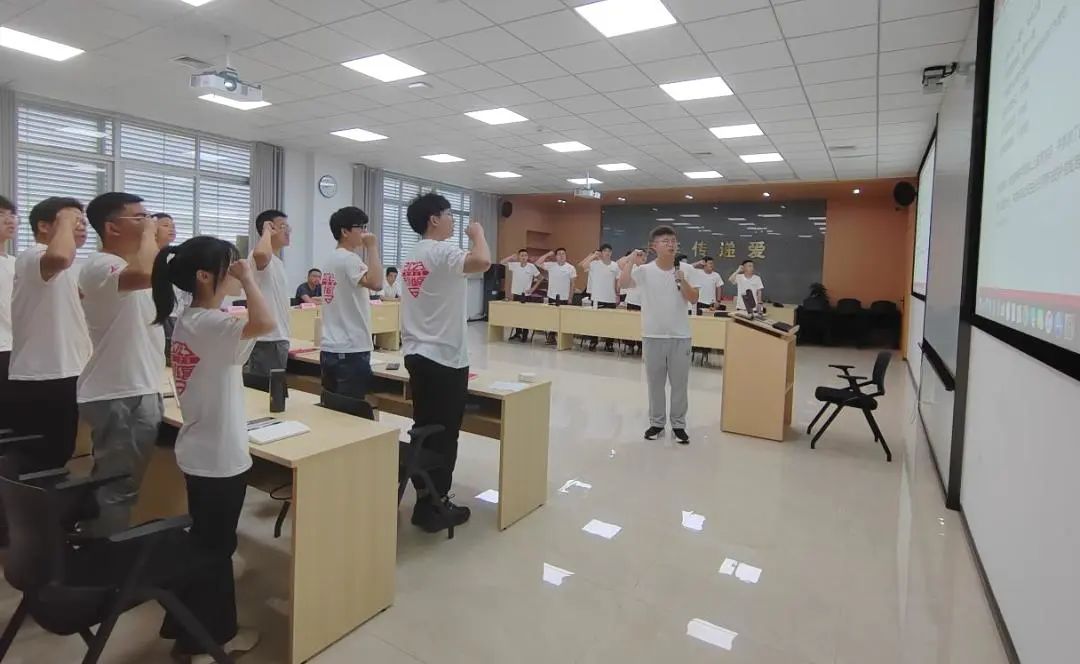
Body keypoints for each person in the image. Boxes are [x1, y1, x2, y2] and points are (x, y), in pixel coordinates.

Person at [151, 236, 272, 662]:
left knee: (204, 543)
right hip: (219, 457)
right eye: (230, 264)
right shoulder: (208, 324)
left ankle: (185, 627)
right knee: (216, 550)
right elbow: (265, 322)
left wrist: (244, 279)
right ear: (204, 276)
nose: (237, 268)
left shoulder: (194, 320)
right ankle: (214, 639)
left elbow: (248, 334)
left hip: (202, 448)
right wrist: (251, 279)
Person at [400, 192, 491, 533]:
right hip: (443, 359)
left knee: (424, 428)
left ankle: (426, 497)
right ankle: (434, 506)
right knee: (444, 435)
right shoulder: (440, 251)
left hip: (417, 354)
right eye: (450, 214)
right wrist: (478, 234)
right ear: (434, 219)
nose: (454, 220)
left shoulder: (412, 255)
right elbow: (482, 261)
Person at [77, 192, 164, 535]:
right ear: (112, 228)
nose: (150, 223)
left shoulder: (130, 270)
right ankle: (103, 558)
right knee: (118, 489)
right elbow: (145, 271)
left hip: (136, 387)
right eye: (140, 217)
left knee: (117, 484)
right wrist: (151, 234)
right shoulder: (101, 265)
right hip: (120, 393)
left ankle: (96, 544)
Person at [8, 197, 91, 472]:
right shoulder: (34, 255)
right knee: (40, 461)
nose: (81, 226)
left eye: (82, 221)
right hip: (44, 376)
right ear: (44, 227)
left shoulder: (65, 268)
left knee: (60, 453)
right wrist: (67, 218)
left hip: (64, 373)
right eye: (73, 221)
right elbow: (60, 256)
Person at [619, 226, 696, 445]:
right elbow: (623, 283)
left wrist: (682, 280)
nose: (671, 244)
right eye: (665, 241)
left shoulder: (686, 269)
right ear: (654, 246)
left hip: (680, 337)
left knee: (679, 385)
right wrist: (631, 260)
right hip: (653, 336)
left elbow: (693, 298)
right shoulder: (645, 271)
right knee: (655, 384)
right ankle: (657, 423)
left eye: (673, 241)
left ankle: (679, 425)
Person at [319, 207, 382, 398]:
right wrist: (372, 248)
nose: (364, 232)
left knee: (332, 406)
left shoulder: (329, 259)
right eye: (360, 227)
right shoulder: (350, 259)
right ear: (345, 231)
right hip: (350, 348)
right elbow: (377, 283)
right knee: (351, 407)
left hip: (330, 347)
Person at [244, 209, 291, 378]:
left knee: (275, 389)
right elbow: (261, 254)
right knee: (267, 390)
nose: (288, 231)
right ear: (269, 228)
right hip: (266, 340)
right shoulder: (257, 256)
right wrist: (266, 232)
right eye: (283, 226)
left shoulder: (278, 262)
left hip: (278, 338)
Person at [580, 244, 620, 352]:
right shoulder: (595, 264)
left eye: (609, 251)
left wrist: (617, 295)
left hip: (611, 298)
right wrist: (593, 255)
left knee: (610, 323)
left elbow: (617, 281)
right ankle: (593, 342)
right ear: (601, 253)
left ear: (611, 253)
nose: (607, 253)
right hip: (597, 298)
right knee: (595, 322)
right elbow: (583, 265)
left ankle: (609, 344)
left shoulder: (615, 265)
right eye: (605, 251)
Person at [535, 248, 577, 345]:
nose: (561, 256)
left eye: (563, 254)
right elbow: (537, 263)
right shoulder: (551, 265)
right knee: (552, 318)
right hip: (552, 296)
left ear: (566, 256)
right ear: (556, 256)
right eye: (559, 254)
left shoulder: (570, 268)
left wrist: (570, 297)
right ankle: (551, 337)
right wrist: (548, 254)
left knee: (564, 319)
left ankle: (564, 339)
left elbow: (573, 284)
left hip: (564, 297)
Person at [502, 249, 540, 342]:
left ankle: (525, 335)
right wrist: (511, 257)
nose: (523, 257)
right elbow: (502, 262)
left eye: (525, 255)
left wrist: (532, 289)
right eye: (522, 255)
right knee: (517, 314)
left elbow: (540, 278)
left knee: (526, 315)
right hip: (516, 294)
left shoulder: (531, 266)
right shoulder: (515, 265)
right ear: (519, 257)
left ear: (527, 257)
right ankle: (518, 333)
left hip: (526, 295)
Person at [0, 196, 15, 427]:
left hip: (17, 348)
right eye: (1, 215)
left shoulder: (16, 263)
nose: (10, 220)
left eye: (12, 215)